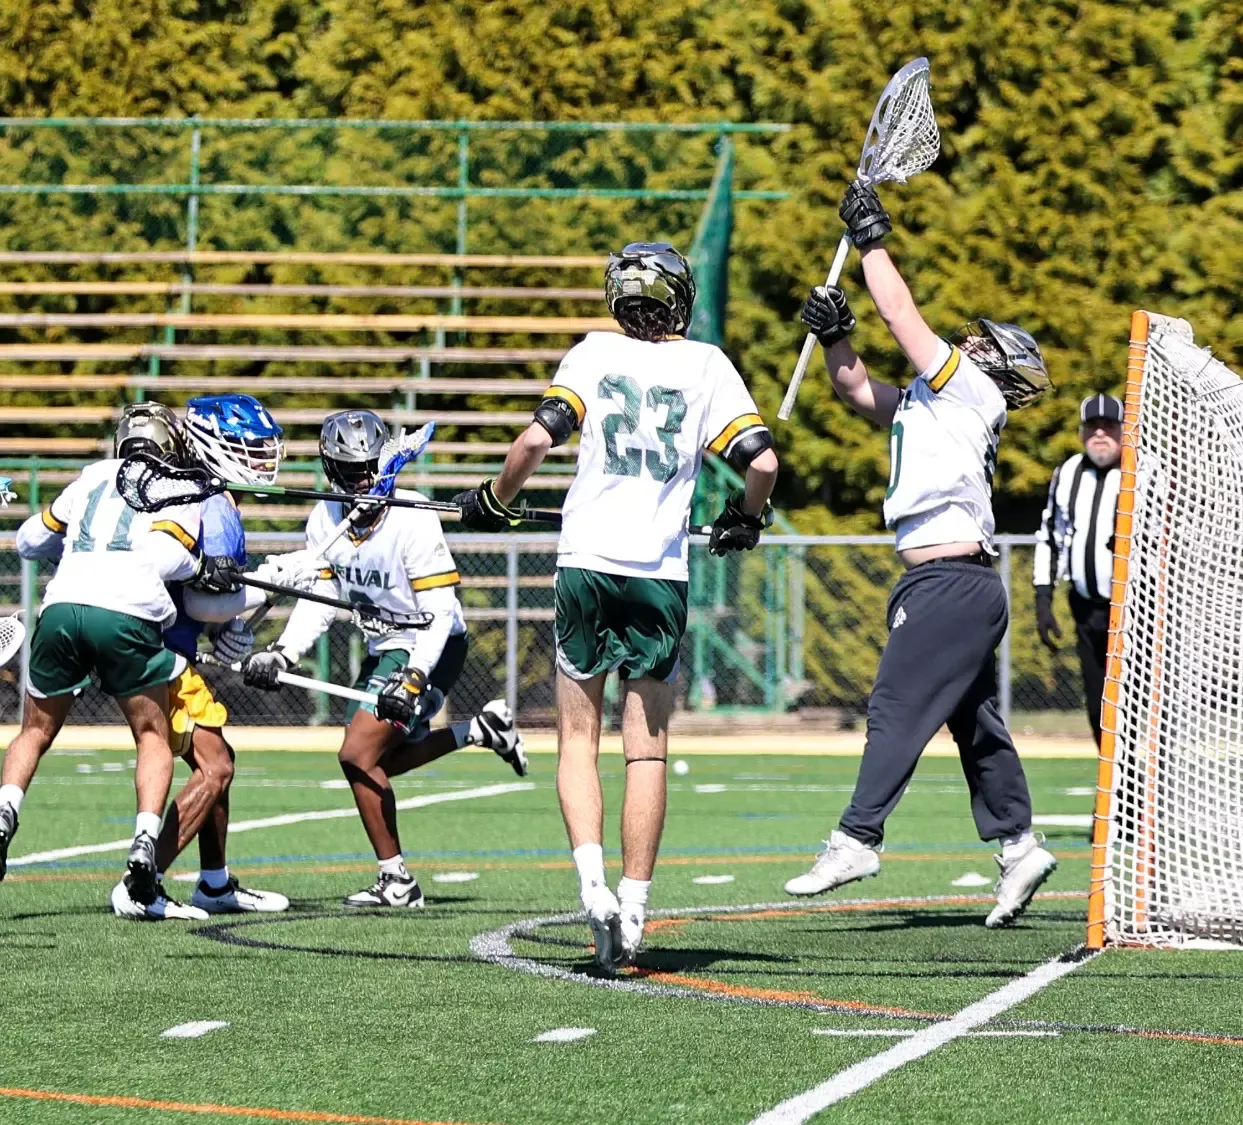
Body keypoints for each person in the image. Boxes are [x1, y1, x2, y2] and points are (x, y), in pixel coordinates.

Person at [457, 241, 779, 970]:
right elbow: (761, 460)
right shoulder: (706, 363)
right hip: (658, 574)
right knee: (647, 748)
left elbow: (535, 441)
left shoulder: (592, 353)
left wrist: (494, 501)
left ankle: (593, 885)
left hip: (585, 564)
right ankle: (634, 908)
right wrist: (745, 516)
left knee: (578, 740)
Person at [787, 178, 1059, 928]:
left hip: (950, 582)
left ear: (996, 365)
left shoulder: (975, 390)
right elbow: (857, 391)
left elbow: (900, 313)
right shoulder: (932, 401)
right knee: (973, 723)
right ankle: (1018, 842)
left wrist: (871, 238)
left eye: (981, 343)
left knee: (895, 705)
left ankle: (856, 836)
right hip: (949, 583)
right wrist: (835, 335)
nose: (967, 343)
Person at [240, 409, 526, 909]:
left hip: (428, 646)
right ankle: (479, 732)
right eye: (352, 472)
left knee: (356, 755)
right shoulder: (325, 519)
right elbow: (320, 600)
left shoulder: (412, 517)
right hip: (382, 648)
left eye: (371, 467)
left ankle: (397, 881)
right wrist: (284, 652)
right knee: (377, 763)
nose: (364, 481)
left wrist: (414, 676)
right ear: (331, 472)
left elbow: (440, 614)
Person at [0, 404, 218, 919]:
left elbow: (29, 541)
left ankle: (5, 809)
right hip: (129, 611)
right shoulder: (180, 486)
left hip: (63, 606)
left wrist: (76, 551)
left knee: (33, 731)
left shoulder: (92, 475)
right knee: (152, 737)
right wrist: (205, 567)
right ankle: (144, 842)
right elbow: (169, 559)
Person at [115, 394, 295, 915]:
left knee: (217, 758)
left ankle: (214, 883)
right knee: (214, 767)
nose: (264, 458)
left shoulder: (201, 494)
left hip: (165, 647)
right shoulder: (212, 502)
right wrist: (272, 584)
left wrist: (230, 628)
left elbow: (198, 597)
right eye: (252, 447)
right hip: (156, 652)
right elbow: (201, 598)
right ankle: (139, 883)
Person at [1032, 393, 1124, 745]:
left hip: (1135, 612)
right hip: (1085, 608)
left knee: (1132, 704)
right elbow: (1051, 536)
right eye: (1092, 426)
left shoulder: (1144, 471)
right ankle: (1111, 789)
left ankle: (1138, 786)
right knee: (1096, 703)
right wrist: (1043, 599)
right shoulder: (1068, 472)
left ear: (1124, 431)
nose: (1100, 434)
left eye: (1109, 426)